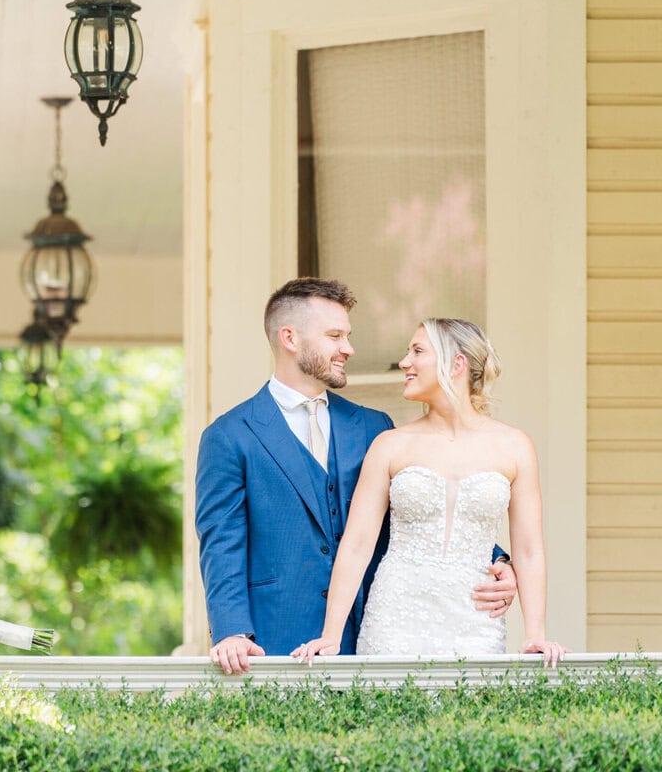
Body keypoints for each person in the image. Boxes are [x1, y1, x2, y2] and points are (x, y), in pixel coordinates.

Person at [196, 280, 517, 675]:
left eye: (347, 336)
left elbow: (404, 512)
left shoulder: (371, 427)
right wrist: (231, 631)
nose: (348, 348)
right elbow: (221, 542)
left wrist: (497, 559)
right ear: (289, 338)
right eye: (335, 336)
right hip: (271, 638)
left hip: (371, 629)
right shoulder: (229, 436)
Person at [292, 318, 566, 667]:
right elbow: (357, 544)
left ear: (457, 364)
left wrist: (535, 635)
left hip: (476, 619)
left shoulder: (515, 447)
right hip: (395, 618)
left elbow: (528, 550)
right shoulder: (390, 445)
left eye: (417, 351)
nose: (404, 362)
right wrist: (331, 636)